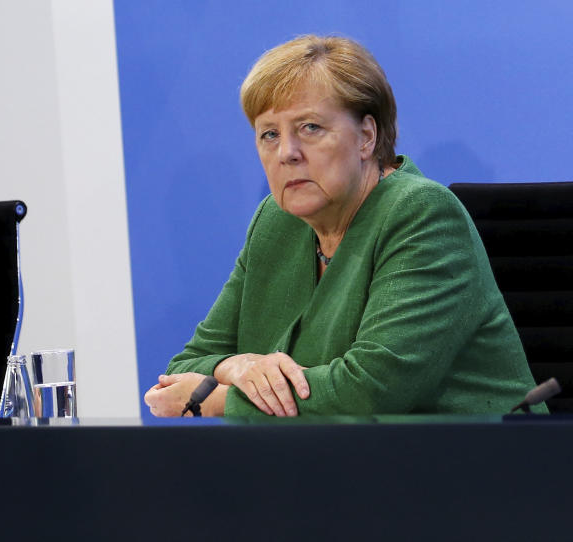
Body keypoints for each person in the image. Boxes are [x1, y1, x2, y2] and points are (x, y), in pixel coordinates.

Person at [144, 34, 543, 417]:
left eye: (310, 128)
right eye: (269, 134)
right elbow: (184, 365)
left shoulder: (422, 214)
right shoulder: (275, 222)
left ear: (366, 136)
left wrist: (214, 401)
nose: (287, 153)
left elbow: (371, 390)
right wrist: (239, 367)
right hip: (338, 467)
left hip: (479, 466)